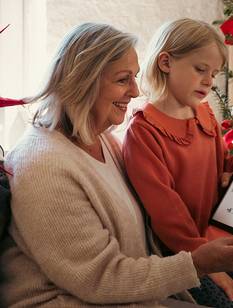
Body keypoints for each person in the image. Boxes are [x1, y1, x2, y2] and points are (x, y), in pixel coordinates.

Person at [1, 22, 233, 308]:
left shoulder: (104, 141)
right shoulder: (44, 166)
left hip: (128, 295)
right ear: (82, 80)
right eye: (123, 80)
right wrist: (197, 263)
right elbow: (98, 278)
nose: (136, 92)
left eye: (135, 78)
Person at [122, 18, 233, 307]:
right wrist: (212, 266)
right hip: (181, 255)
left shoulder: (206, 115)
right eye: (200, 69)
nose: (209, 81)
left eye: (215, 73)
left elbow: (223, 169)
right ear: (166, 62)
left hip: (219, 236)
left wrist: (228, 176)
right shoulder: (144, 131)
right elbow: (167, 217)